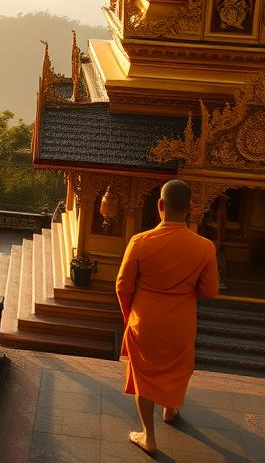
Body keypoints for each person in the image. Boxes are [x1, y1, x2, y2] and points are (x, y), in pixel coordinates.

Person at [115, 179, 220, 457]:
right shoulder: (205, 247)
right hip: (181, 322)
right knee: (175, 368)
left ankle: (148, 436)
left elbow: (122, 286)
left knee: (144, 375)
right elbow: (210, 291)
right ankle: (170, 408)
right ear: (190, 209)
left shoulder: (140, 242)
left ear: (160, 206)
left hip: (146, 320)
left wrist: (129, 313)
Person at [200, 194, 229, 291]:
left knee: (220, 262)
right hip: (209, 241)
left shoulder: (219, 215)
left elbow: (220, 230)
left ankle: (218, 280)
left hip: (215, 242)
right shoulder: (207, 217)